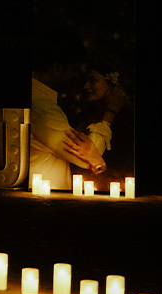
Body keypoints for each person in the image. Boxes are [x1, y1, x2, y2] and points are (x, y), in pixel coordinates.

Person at [29, 39, 110, 190]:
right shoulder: (43, 107)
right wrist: (109, 116)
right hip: (42, 205)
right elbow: (85, 158)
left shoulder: (41, 101)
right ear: (56, 68)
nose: (78, 79)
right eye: (74, 70)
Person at [72, 65, 131, 189]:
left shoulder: (127, 119)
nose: (86, 86)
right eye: (85, 81)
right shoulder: (82, 117)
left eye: (93, 80)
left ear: (111, 84)